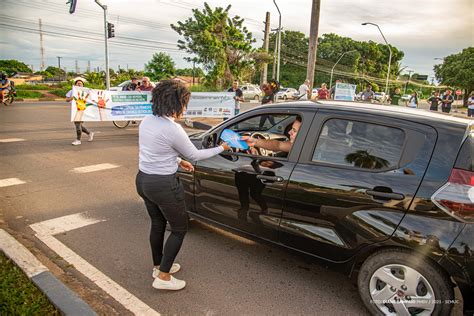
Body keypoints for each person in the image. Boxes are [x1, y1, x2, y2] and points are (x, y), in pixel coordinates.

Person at [135, 80, 230, 291]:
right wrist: (221, 148)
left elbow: (155, 150)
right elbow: (195, 154)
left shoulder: (147, 121)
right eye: (184, 103)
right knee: (179, 228)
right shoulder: (173, 129)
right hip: (163, 185)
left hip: (143, 180)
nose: (185, 108)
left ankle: (158, 265)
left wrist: (178, 161)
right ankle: (163, 277)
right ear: (175, 103)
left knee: (158, 223)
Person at [65, 79, 94, 146]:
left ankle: (78, 140)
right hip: (75, 111)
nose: (79, 84)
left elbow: (92, 98)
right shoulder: (71, 91)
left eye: (81, 83)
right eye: (78, 83)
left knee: (78, 125)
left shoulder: (86, 91)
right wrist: (72, 98)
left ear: (83, 85)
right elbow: (66, 99)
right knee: (79, 125)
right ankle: (89, 133)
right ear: (75, 85)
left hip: (83, 111)